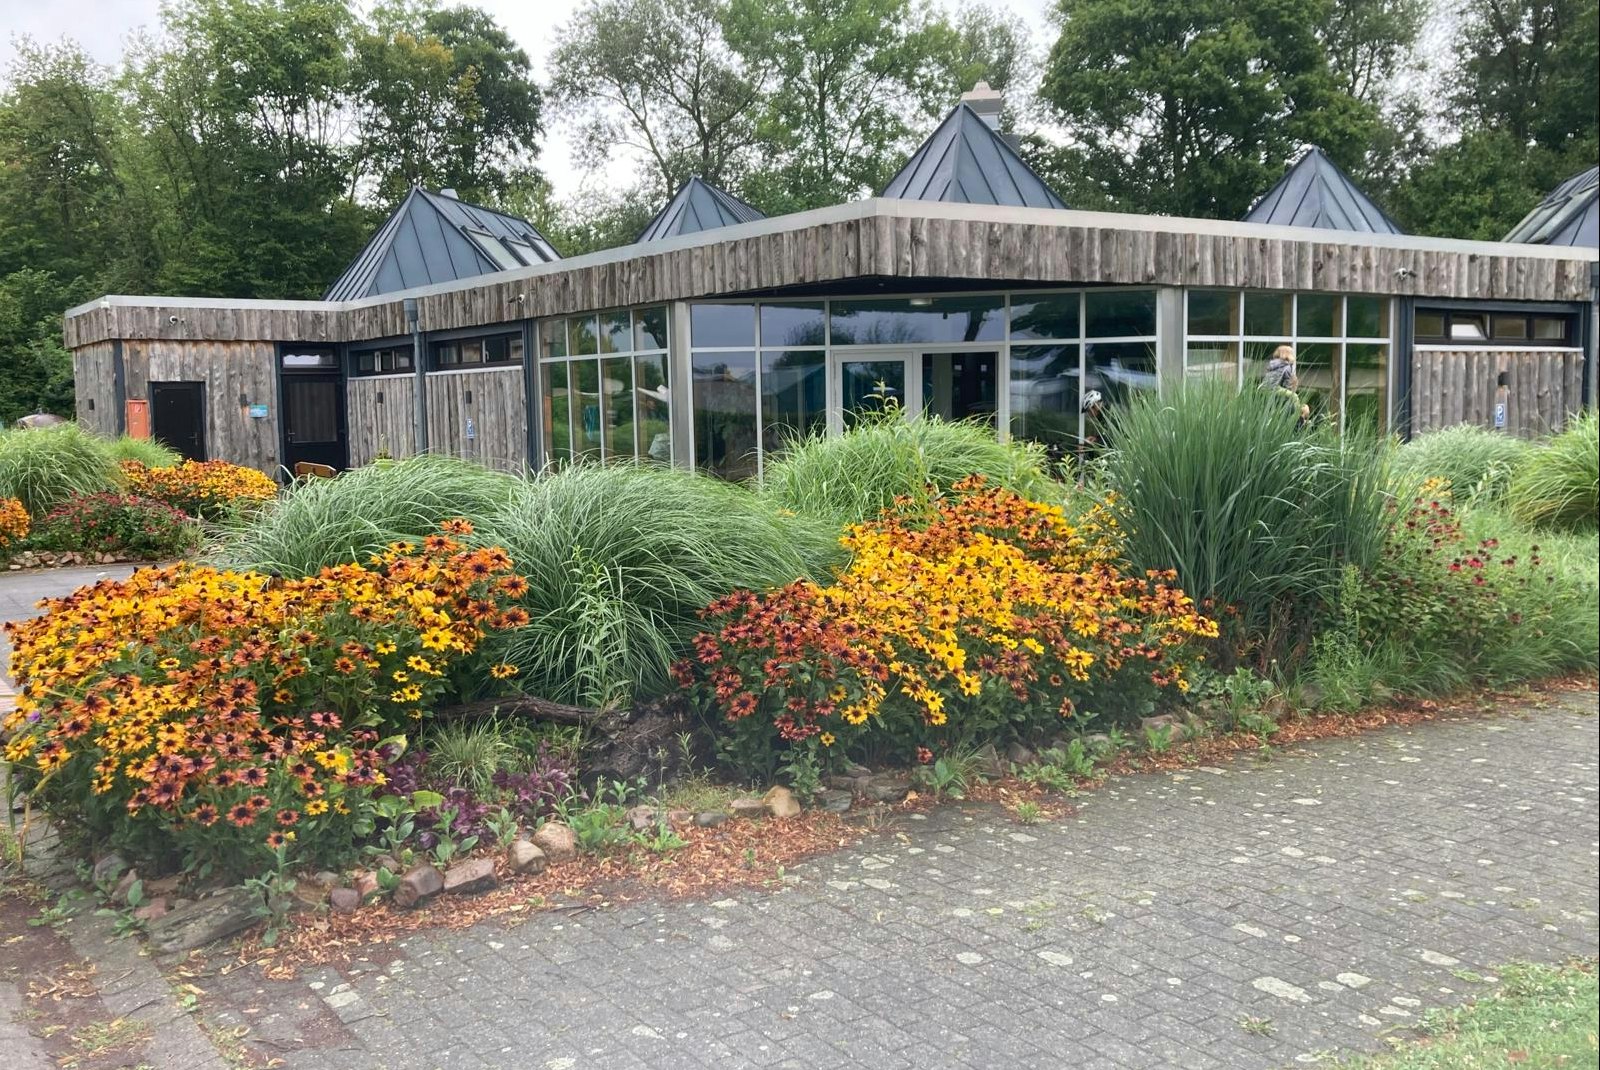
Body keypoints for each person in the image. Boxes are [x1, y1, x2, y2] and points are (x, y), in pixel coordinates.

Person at [1261, 345, 1311, 424]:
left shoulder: (1273, 365)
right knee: (1294, 396)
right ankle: (1298, 417)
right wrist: (1290, 390)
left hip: (1264, 388)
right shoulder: (1286, 366)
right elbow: (1287, 383)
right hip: (1274, 388)